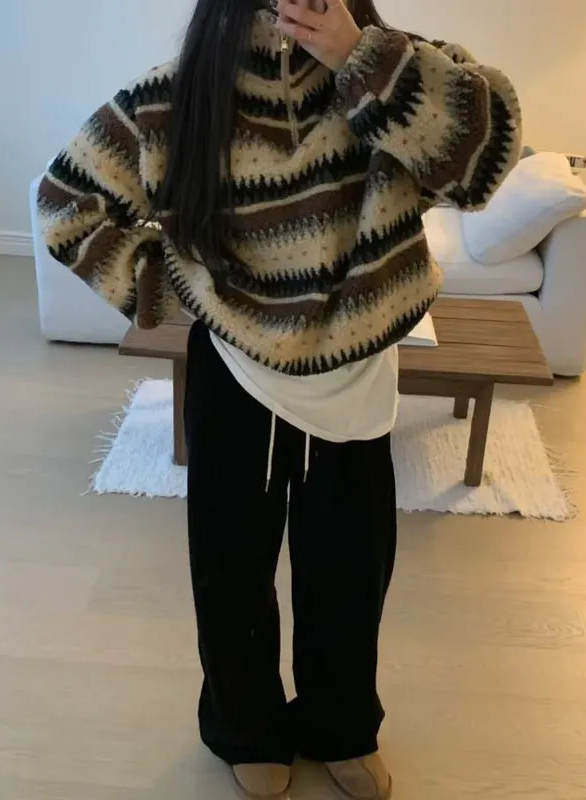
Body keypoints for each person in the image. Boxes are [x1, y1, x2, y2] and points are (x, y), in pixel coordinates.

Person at [38, 0, 521, 796]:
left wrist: (364, 59)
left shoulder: (398, 63)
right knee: (230, 567)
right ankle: (244, 726)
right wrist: (166, 288)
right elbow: (67, 203)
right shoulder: (177, 94)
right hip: (233, 371)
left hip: (359, 367)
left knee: (350, 568)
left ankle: (342, 725)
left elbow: (484, 161)